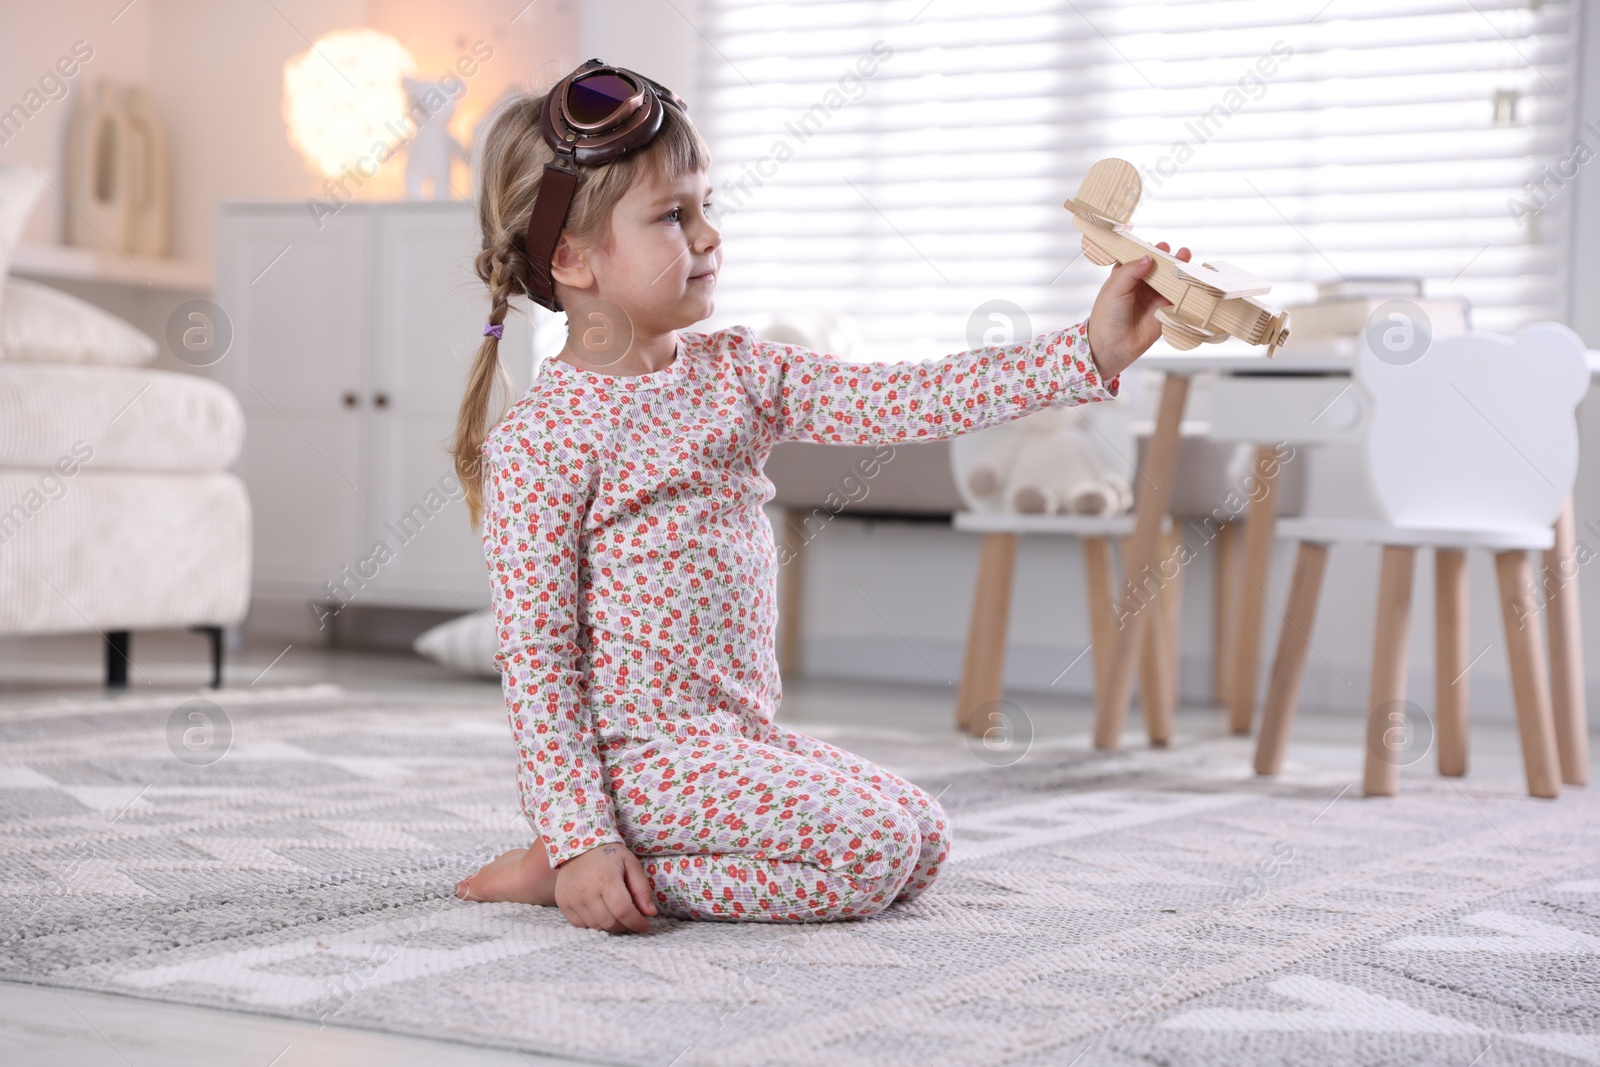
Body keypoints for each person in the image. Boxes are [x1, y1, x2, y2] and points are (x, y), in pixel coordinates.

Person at [450, 60, 1190, 934]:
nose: (709, 235)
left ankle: (619, 858)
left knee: (921, 837)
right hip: (637, 766)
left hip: (732, 745)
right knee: (869, 852)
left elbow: (905, 398)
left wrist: (1088, 352)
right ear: (571, 258)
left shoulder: (740, 374)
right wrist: (578, 833)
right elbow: (537, 661)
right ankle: (576, 866)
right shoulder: (546, 438)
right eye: (672, 216)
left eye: (706, 206)